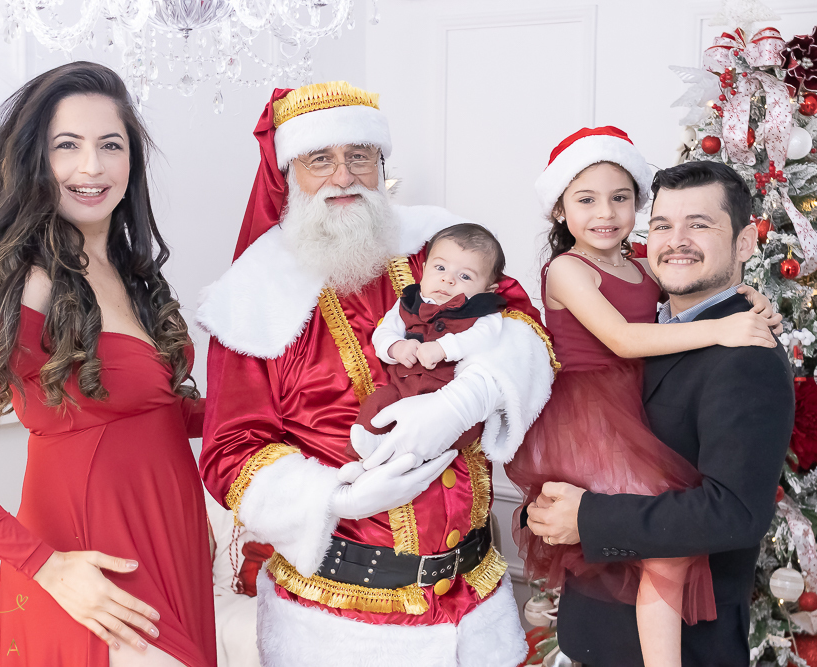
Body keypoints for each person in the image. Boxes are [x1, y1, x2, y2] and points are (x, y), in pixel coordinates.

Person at [197, 81, 556, 667]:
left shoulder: (437, 245)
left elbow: (523, 325)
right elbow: (231, 452)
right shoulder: (250, 296)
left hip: (476, 600)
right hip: (339, 621)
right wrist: (337, 497)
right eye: (321, 160)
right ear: (290, 173)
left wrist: (464, 402)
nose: (344, 177)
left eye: (359, 156)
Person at [0, 62, 215, 667]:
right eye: (67, 146)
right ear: (37, 162)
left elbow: (155, 411)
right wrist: (45, 566)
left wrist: (275, 400)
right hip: (94, 570)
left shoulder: (129, 271)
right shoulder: (31, 285)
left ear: (131, 164)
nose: (91, 167)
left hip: (170, 539)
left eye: (110, 146)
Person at [523, 159, 796, 667]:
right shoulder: (645, 318)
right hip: (595, 637)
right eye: (664, 225)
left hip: (680, 650)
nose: (677, 240)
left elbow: (733, 514)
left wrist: (586, 517)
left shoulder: (746, 355)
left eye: (700, 224)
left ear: (744, 244)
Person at [350, 223, 507, 457]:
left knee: (457, 429)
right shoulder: (409, 303)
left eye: (464, 276)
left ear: (488, 289)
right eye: (440, 267)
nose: (448, 279)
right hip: (402, 389)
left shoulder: (484, 313)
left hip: (445, 400)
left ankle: (407, 460)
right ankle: (361, 458)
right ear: (424, 269)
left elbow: (485, 339)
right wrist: (396, 347)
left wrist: (444, 348)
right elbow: (382, 334)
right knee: (378, 403)